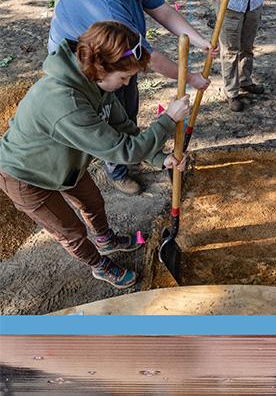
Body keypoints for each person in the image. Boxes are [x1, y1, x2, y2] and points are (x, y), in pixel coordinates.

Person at [0, 21, 191, 289]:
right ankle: (98, 265)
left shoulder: (94, 82)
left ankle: (106, 240)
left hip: (66, 164)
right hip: (24, 174)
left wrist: (160, 158)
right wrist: (168, 120)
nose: (126, 83)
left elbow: (123, 128)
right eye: (123, 78)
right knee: (71, 231)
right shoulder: (66, 103)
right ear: (101, 68)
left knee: (93, 203)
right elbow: (123, 150)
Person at [47, 0, 213, 195]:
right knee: (109, 121)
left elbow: (163, 10)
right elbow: (149, 57)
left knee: (124, 113)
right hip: (91, 63)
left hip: (117, 58)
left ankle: (139, 152)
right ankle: (118, 171)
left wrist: (201, 42)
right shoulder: (105, 3)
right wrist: (189, 79)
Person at [201, 0, 265, 112]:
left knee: (247, 46)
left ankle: (245, 81)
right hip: (230, 5)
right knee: (230, 51)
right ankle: (232, 92)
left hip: (254, 2)